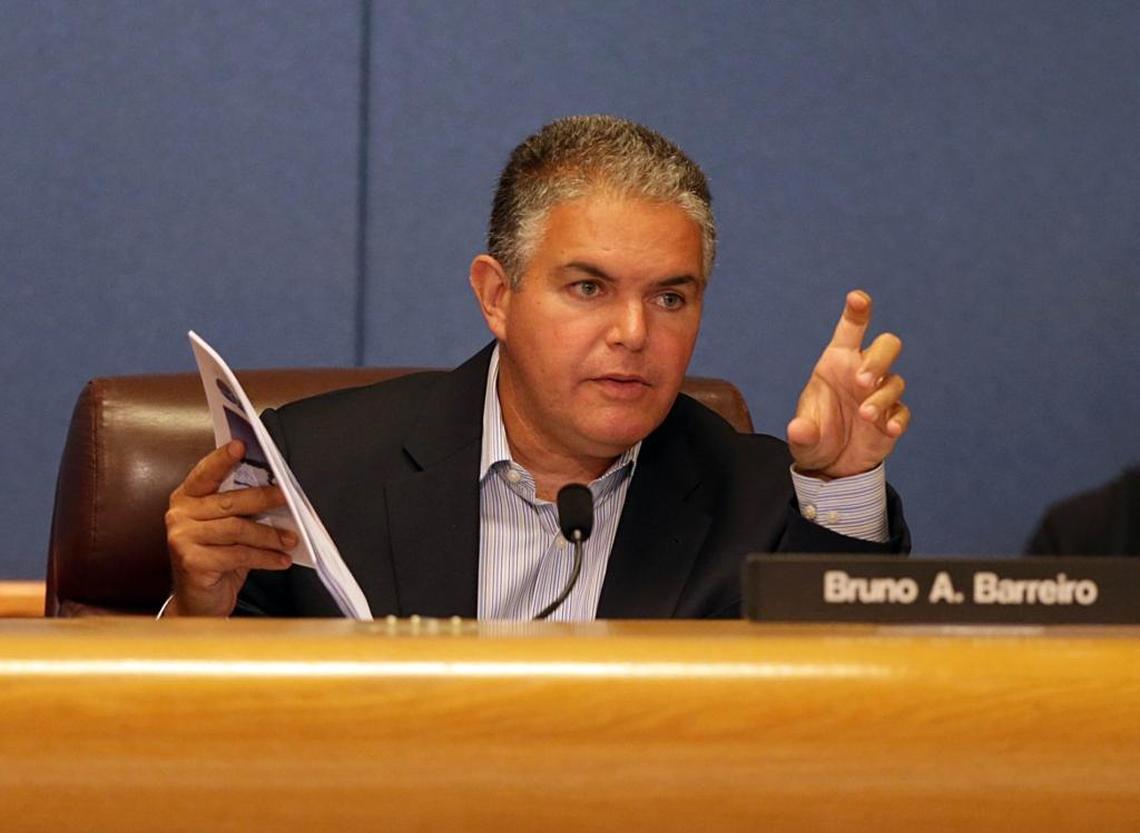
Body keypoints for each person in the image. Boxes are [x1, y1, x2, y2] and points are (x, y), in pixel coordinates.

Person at [163, 115, 911, 620]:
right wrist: (200, 611)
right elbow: (206, 740)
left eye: (670, 298)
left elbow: (852, 722)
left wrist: (843, 486)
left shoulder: (763, 501)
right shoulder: (315, 468)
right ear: (497, 296)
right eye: (589, 288)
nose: (633, 333)